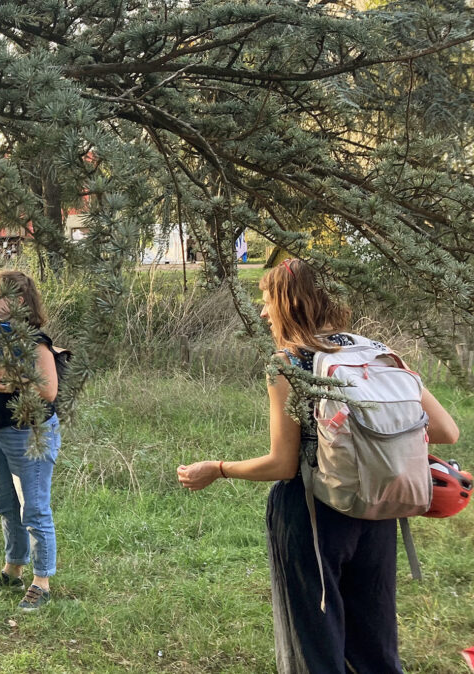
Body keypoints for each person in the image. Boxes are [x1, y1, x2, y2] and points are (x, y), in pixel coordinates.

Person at [177, 258, 459, 673]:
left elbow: (282, 464)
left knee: (315, 640)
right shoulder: (376, 353)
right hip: (378, 504)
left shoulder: (288, 363)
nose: (262, 311)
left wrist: (217, 468)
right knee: (375, 640)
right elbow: (446, 430)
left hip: (313, 512)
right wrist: (377, 444)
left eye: (266, 299)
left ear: (289, 302)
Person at [0, 270, 61, 612]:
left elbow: (49, 391)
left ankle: (42, 581)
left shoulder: (35, 342)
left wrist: (6, 375)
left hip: (29, 433)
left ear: (18, 302)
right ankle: (13, 569)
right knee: (6, 504)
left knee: (34, 508)